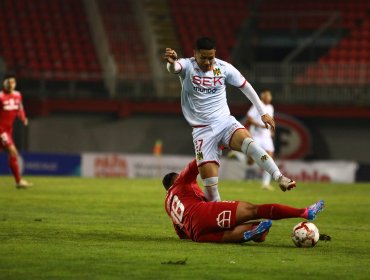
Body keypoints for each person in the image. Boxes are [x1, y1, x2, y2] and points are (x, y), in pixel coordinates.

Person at [164, 37, 295, 202]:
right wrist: (171, 63)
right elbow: (174, 68)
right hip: (202, 131)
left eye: (210, 58)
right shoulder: (187, 66)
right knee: (211, 190)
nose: (207, 62)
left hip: (225, 122)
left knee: (250, 144)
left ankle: (279, 177)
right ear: (195, 54)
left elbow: (246, 86)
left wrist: (262, 112)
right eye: (203, 58)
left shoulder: (223, 68)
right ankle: (218, 221)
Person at [163, 159, 324, 243]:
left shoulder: (168, 204)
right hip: (202, 213)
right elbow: (197, 162)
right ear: (175, 179)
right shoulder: (180, 181)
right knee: (253, 210)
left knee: (233, 234)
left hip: (197, 234)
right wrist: (214, 145)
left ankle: (252, 233)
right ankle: (304, 212)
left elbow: (181, 234)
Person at [229, 90, 276, 190]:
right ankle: (238, 155)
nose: (268, 98)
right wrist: (259, 125)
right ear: (263, 97)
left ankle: (265, 183)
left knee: (270, 158)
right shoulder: (256, 106)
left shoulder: (271, 107)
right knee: (250, 162)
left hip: (266, 136)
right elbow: (249, 118)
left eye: (269, 96)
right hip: (256, 135)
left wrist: (271, 131)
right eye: (267, 96)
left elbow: (270, 119)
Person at [0, 75, 32, 188]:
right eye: (9, 82)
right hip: (1, 130)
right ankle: (18, 182)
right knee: (13, 152)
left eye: (13, 82)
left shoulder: (18, 95)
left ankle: (18, 181)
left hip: (8, 130)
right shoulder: (0, 96)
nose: (11, 84)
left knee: (12, 153)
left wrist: (23, 118)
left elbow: (20, 108)